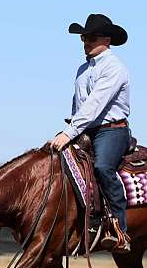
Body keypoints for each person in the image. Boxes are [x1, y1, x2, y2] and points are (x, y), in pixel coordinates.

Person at [50, 14, 131, 253]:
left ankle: (120, 231)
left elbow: (95, 104)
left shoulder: (115, 68)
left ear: (106, 39)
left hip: (111, 131)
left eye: (91, 37)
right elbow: (79, 106)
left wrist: (69, 132)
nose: (85, 41)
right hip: (86, 129)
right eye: (84, 37)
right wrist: (72, 128)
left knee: (102, 167)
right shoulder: (83, 69)